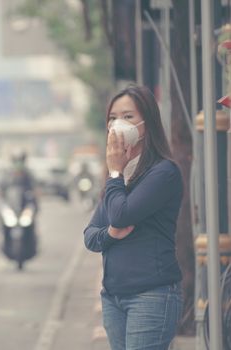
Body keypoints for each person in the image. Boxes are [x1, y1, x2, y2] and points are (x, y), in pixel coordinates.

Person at [83, 84, 183, 350]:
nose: (118, 124)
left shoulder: (163, 173)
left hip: (151, 295)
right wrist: (111, 234)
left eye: (128, 116)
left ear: (146, 122)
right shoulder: (118, 176)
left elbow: (121, 214)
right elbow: (91, 236)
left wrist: (115, 173)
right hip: (114, 297)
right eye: (113, 117)